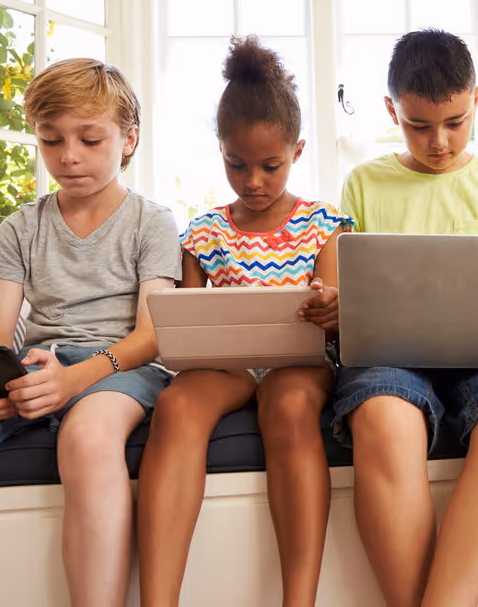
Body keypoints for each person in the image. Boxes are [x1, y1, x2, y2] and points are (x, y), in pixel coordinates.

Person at [335, 28, 478, 607]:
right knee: (383, 416)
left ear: (477, 100)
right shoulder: (362, 184)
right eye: (418, 125)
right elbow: (346, 285)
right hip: (391, 354)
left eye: (455, 122)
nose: (439, 141)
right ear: (392, 111)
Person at [0, 58, 180, 607]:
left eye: (90, 140)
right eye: (52, 141)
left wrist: (74, 381)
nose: (69, 156)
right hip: (37, 364)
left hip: (120, 367)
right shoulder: (22, 226)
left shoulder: (151, 221)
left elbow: (151, 334)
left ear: (127, 140)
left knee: (88, 439)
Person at [137, 36, 349, 607]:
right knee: (177, 404)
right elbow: (188, 319)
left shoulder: (324, 224)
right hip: (226, 365)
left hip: (297, 362)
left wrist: (330, 311)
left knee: (289, 403)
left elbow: (337, 315)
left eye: (270, 166)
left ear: (297, 152)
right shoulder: (205, 232)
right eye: (237, 164)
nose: (253, 180)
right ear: (220, 150)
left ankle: (298, 600)